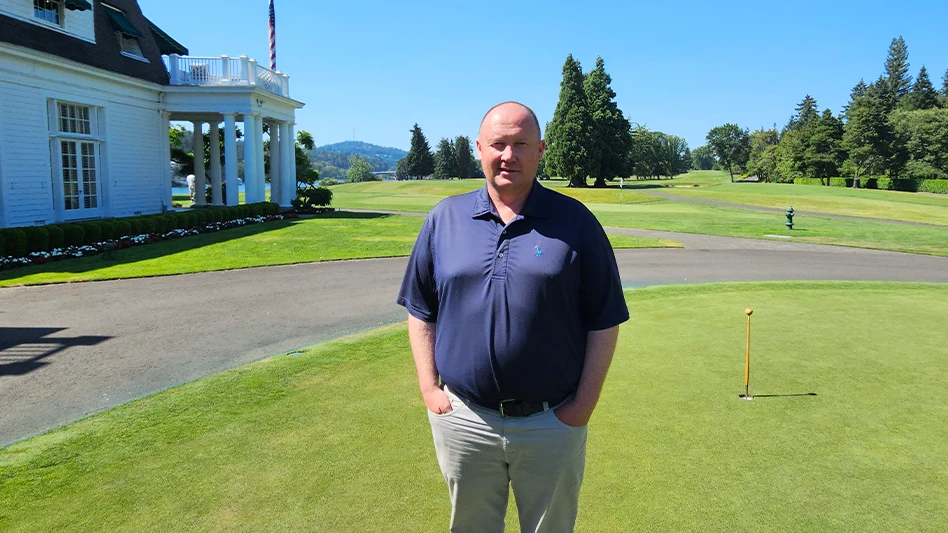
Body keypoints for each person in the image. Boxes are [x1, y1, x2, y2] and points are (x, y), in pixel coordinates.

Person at [397, 101, 629, 532]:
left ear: (540, 149)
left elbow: (605, 319)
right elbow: (420, 309)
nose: (509, 155)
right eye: (499, 144)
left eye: (521, 144)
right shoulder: (444, 219)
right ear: (479, 148)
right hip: (465, 420)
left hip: (551, 421)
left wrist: (582, 407)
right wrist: (430, 389)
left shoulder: (576, 222)